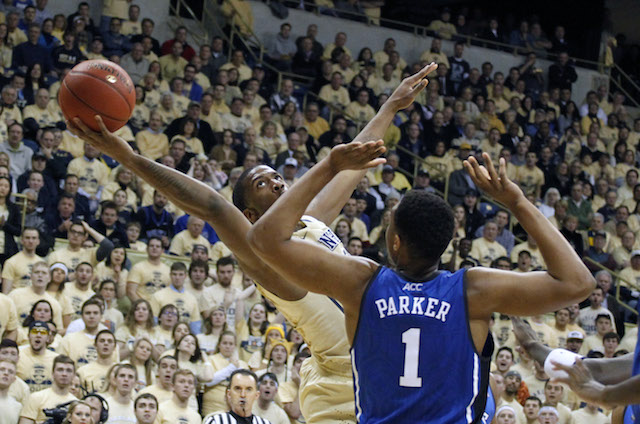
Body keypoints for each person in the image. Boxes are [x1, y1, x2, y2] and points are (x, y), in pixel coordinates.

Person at [67, 64, 449, 424]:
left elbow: (352, 160)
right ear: (249, 216)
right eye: (262, 184)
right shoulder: (265, 254)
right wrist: (130, 158)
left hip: (382, 364)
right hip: (342, 383)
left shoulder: (312, 222)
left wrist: (390, 106)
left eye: (277, 177)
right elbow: (213, 205)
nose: (278, 183)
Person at [244, 131, 595, 424]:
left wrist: (331, 165)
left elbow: (264, 238)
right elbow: (578, 283)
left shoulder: (362, 284)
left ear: (394, 243)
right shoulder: (472, 290)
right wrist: (516, 201)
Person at [19, 355, 78, 424]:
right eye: (60, 370)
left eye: (69, 371)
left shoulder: (76, 403)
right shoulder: (36, 398)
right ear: (53, 374)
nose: (64, 374)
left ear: (74, 375)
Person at [202, 369, 272, 424]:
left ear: (256, 395)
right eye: (238, 389)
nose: (243, 395)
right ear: (229, 394)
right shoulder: (215, 421)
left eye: (248, 389)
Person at [0, 359, 22, 424]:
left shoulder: (18, 406)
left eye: (10, 371)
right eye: (2, 370)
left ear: (14, 379)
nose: (6, 373)